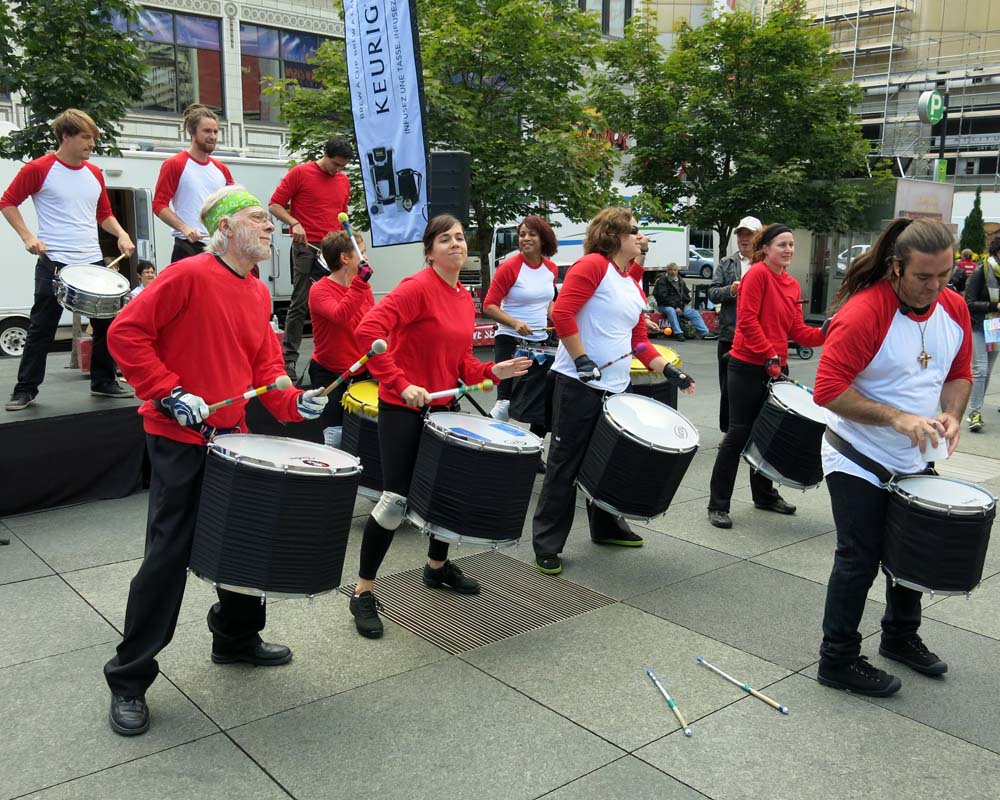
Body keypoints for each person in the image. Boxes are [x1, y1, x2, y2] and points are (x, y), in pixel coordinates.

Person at [102, 185, 329, 736]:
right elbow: (125, 333)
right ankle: (129, 679)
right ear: (226, 229)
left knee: (243, 543)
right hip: (178, 440)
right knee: (167, 558)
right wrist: (167, 390)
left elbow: (265, 370)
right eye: (259, 218)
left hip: (233, 436)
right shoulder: (186, 276)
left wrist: (296, 403)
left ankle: (235, 638)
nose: (271, 226)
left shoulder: (254, 291)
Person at [348, 215, 530, 639]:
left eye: (461, 238)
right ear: (429, 251)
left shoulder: (464, 298)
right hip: (402, 409)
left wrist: (494, 369)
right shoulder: (416, 288)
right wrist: (400, 383)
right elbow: (368, 331)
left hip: (442, 409)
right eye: (445, 239)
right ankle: (363, 591)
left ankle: (436, 567)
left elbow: (460, 363)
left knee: (444, 492)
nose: (455, 244)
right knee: (394, 501)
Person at [814, 218, 971, 697]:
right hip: (856, 454)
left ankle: (900, 637)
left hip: (915, 454)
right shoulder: (865, 312)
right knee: (859, 558)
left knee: (912, 551)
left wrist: (951, 413)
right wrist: (897, 418)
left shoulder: (954, 307)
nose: (936, 286)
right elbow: (827, 390)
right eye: (924, 276)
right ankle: (836, 659)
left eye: (944, 275)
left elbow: (960, 373)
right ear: (896, 267)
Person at [532, 208, 696, 576]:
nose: (642, 237)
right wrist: (582, 359)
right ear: (613, 234)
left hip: (616, 386)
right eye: (635, 231)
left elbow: (638, 342)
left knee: (607, 462)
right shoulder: (592, 266)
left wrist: (669, 370)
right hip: (578, 385)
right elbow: (562, 314)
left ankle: (606, 529)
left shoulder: (631, 279)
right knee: (565, 464)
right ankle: (547, 543)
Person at [1, 109, 136, 411]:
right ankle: (25, 390)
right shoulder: (38, 169)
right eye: (86, 137)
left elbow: (104, 215)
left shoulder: (95, 173)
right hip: (55, 261)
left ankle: (103, 381)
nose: (91, 143)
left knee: (107, 326)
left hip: (92, 261)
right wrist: (27, 237)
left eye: (93, 137)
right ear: (66, 136)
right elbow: (7, 202)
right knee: (41, 328)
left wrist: (121, 234)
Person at [706, 224, 825, 529]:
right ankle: (718, 504)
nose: (788, 250)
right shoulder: (757, 275)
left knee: (769, 436)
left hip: (776, 367)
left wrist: (826, 333)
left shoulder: (793, 285)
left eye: (792, 245)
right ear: (766, 249)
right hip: (747, 365)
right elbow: (746, 321)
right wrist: (768, 354)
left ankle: (764, 495)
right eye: (782, 245)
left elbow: (797, 330)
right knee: (737, 435)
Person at [269, 136, 352, 380]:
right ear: (324, 154)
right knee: (300, 302)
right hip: (307, 246)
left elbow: (342, 215)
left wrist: (350, 243)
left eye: (342, 166)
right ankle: (290, 360)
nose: (337, 170)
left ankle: (335, 357)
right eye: (335, 164)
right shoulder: (300, 173)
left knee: (339, 302)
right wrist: (294, 223)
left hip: (333, 247)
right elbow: (275, 204)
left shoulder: (343, 180)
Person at [482, 215, 558, 438]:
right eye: (522, 234)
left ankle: (533, 453)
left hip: (540, 343)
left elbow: (548, 301)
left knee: (543, 405)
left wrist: (559, 320)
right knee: (504, 404)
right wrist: (514, 323)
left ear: (543, 238)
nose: (525, 238)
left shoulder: (551, 269)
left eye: (531, 234)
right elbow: (489, 306)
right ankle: (488, 451)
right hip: (510, 340)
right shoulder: (509, 267)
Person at [308, 230, 375, 447]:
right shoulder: (319, 290)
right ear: (345, 258)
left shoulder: (362, 287)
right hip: (329, 373)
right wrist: (360, 285)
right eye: (361, 253)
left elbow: (371, 324)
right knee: (334, 438)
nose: (366, 259)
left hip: (362, 370)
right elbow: (340, 315)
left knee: (362, 436)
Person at [152, 104, 234, 264]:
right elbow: (159, 205)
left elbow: (232, 205)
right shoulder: (175, 164)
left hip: (219, 247)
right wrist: (184, 228)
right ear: (192, 131)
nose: (213, 136)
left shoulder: (221, 169)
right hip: (188, 246)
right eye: (207, 131)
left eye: (215, 131)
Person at [708, 215, 762, 432]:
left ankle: (752, 432)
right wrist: (731, 290)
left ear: (759, 237)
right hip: (730, 335)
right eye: (741, 233)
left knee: (755, 389)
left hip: (757, 338)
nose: (744, 238)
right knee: (728, 388)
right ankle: (729, 432)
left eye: (749, 234)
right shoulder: (727, 262)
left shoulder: (765, 264)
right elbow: (712, 293)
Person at [962, 235, 1000, 432]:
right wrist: (994, 305)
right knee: (980, 370)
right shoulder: (981, 272)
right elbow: (968, 303)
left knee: (986, 373)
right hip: (978, 325)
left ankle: (977, 410)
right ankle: (974, 413)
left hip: (995, 327)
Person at [651, 263, 717, 342]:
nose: (673, 272)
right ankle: (678, 333)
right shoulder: (662, 281)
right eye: (670, 270)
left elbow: (686, 297)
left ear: (677, 271)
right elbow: (662, 297)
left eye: (675, 270)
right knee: (671, 311)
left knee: (694, 313)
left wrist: (681, 306)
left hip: (679, 306)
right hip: (664, 305)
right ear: (667, 270)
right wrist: (675, 307)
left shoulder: (680, 281)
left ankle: (705, 333)